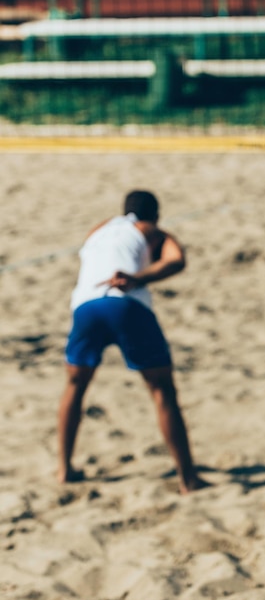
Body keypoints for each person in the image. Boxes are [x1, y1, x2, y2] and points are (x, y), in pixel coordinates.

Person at [57, 189, 209, 494]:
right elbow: (176, 260)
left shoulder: (98, 230)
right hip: (127, 306)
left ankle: (65, 469)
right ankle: (188, 479)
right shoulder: (150, 229)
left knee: (75, 386)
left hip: (85, 306)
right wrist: (140, 277)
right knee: (162, 390)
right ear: (155, 214)